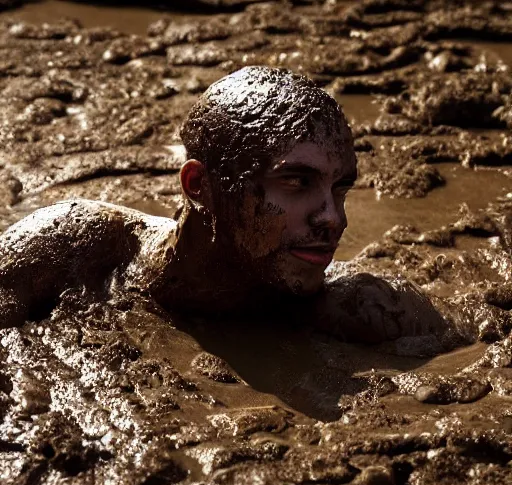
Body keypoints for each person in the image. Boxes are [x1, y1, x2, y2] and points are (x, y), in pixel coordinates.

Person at [0, 66, 448, 349]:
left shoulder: (358, 305)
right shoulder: (75, 245)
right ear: (200, 186)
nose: (332, 218)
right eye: (296, 182)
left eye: (341, 189)